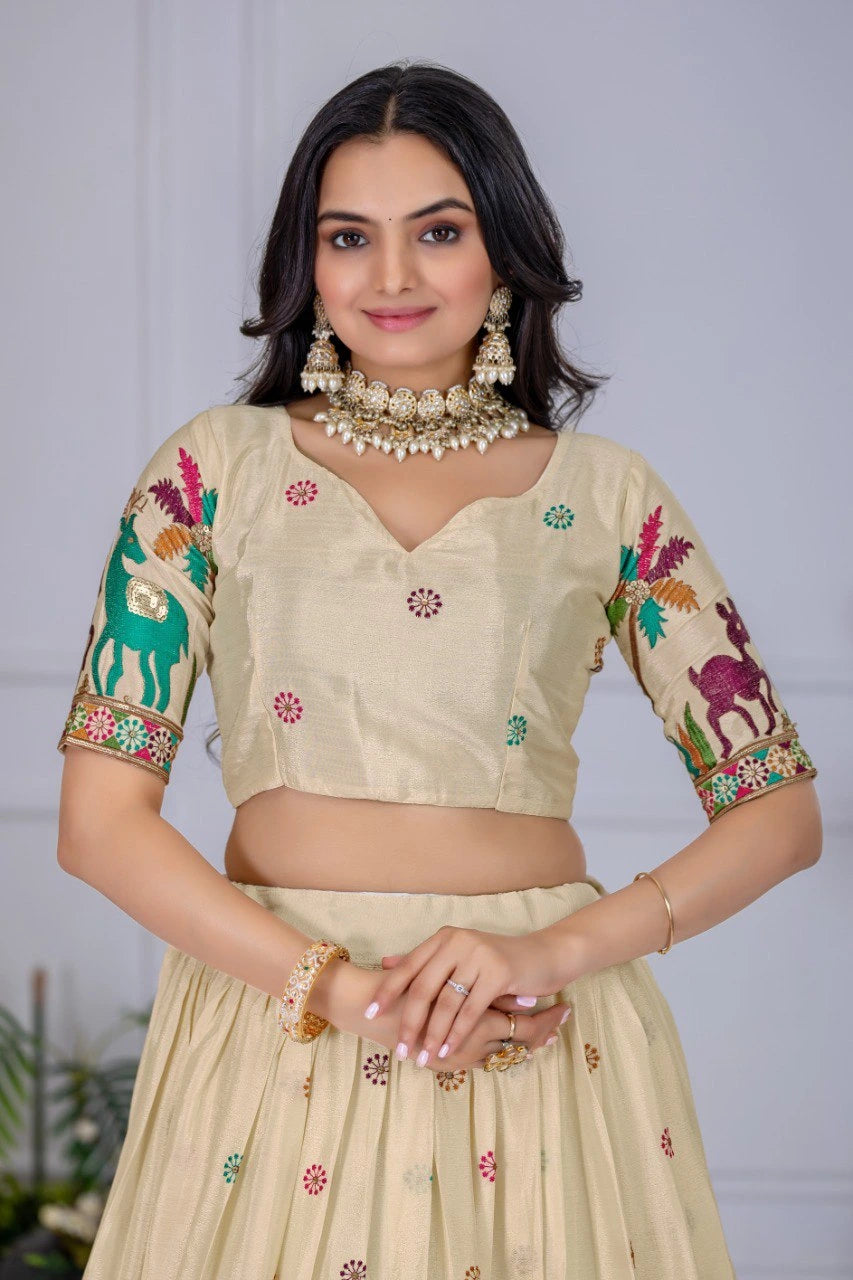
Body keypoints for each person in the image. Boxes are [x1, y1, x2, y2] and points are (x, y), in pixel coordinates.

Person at [56, 59, 821, 1280]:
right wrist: (338, 987)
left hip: (536, 1033)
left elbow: (778, 811)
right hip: (277, 1024)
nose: (393, 276)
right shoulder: (212, 473)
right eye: (349, 235)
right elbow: (97, 826)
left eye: (440, 231)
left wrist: (547, 954)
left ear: (504, 252)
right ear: (305, 261)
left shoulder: (606, 494)